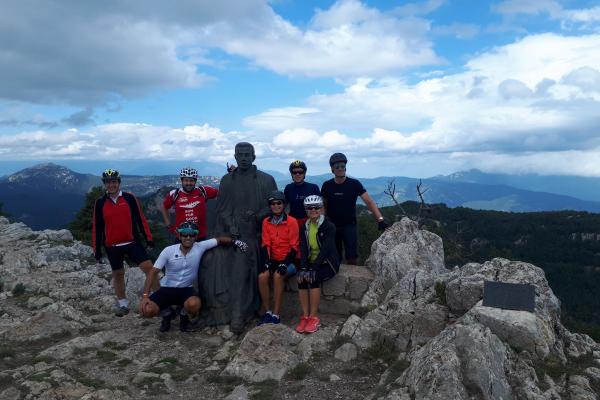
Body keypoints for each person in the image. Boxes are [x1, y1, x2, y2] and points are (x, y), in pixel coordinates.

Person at [198, 142, 277, 333]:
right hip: (228, 234)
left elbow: (275, 205)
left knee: (241, 259)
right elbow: (222, 210)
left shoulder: (266, 180)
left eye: (247, 154)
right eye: (240, 154)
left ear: (254, 156)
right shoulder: (227, 180)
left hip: (254, 235)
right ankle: (214, 308)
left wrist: (257, 216)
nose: (243, 158)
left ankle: (237, 312)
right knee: (208, 258)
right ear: (234, 156)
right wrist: (231, 225)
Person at [139, 222, 248, 332]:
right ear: (179, 236)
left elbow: (219, 240)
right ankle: (166, 314)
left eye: (192, 235)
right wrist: (145, 296)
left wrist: (236, 242)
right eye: (185, 234)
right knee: (146, 310)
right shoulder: (169, 250)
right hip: (167, 288)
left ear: (196, 236)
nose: (188, 237)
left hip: (186, 289)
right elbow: (152, 272)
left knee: (194, 304)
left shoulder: (199, 247)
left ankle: (184, 316)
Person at [92, 169, 157, 316]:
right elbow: (97, 227)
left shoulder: (129, 198)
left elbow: (141, 219)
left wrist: (148, 238)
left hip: (132, 242)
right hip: (112, 245)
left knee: (149, 268)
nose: (111, 185)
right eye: (108, 182)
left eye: (114, 182)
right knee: (118, 274)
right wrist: (96, 250)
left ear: (119, 183)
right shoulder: (100, 203)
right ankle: (123, 305)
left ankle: (160, 300)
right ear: (105, 184)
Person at [320, 153, 389, 265]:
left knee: (352, 257)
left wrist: (380, 219)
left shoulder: (354, 184)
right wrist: (322, 221)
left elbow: (369, 202)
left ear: (345, 167)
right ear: (332, 169)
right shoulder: (327, 185)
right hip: (332, 225)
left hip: (349, 225)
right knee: (334, 256)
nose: (340, 169)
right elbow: (324, 205)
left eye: (342, 166)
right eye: (337, 167)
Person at [295, 195, 339, 334]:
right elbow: (303, 247)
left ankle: (314, 318)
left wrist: (313, 269)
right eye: (309, 208)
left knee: (313, 278)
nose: (313, 210)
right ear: (306, 210)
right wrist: (303, 267)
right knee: (301, 278)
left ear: (321, 209)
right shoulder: (305, 226)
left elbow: (326, 250)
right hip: (312, 261)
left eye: (316, 207)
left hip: (328, 262)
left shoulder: (329, 226)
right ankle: (305, 316)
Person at [258, 190, 299, 325]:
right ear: (270, 206)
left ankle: (276, 314)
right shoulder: (266, 222)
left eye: (279, 203)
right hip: (274, 259)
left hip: (291, 260)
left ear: (284, 205)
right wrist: (267, 262)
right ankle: (267, 311)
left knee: (277, 276)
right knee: (262, 276)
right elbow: (265, 244)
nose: (276, 206)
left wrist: (285, 263)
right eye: (273, 204)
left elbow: (294, 246)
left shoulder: (292, 222)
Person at [161, 167, 218, 241]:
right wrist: (169, 225)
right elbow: (164, 207)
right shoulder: (174, 194)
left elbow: (222, 192)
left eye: (191, 181)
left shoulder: (203, 191)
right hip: (182, 237)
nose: (188, 183)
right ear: (182, 181)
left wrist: (233, 174)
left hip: (200, 236)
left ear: (195, 181)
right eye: (186, 180)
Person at [284, 160, 320, 226]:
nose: (297, 174)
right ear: (291, 174)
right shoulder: (288, 188)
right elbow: (286, 206)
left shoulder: (313, 188)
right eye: (294, 172)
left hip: (310, 222)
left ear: (304, 173)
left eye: (300, 172)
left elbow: (320, 206)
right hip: (292, 222)